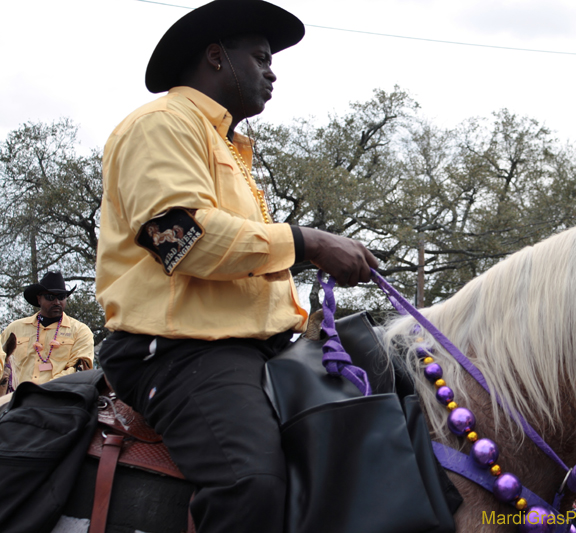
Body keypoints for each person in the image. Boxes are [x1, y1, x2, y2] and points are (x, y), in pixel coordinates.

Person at [94, 1, 378, 532]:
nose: (272, 72)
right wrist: (311, 242)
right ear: (216, 57)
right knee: (251, 484)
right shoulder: (161, 125)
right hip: (180, 353)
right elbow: (183, 241)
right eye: (261, 57)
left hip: (259, 346)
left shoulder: (226, 144)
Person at [0, 271, 94, 391]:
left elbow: (79, 372)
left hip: (60, 400)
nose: (56, 302)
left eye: (61, 297)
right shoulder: (14, 329)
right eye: (50, 297)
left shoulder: (80, 331)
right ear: (39, 299)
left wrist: (43, 391)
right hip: (19, 401)